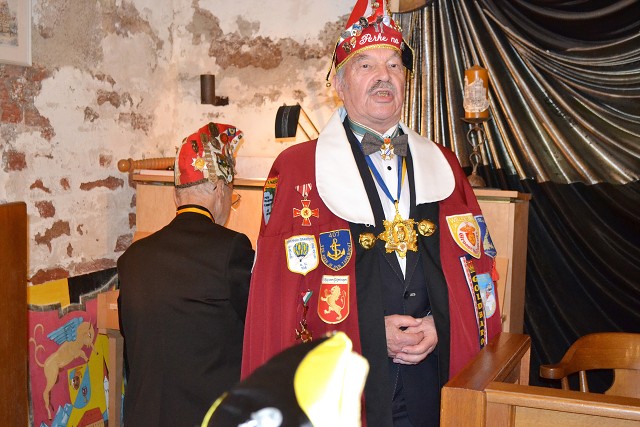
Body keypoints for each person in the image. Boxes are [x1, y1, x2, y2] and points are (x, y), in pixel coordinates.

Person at [242, 1, 502, 426]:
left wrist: (442, 323)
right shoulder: (297, 169)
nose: (384, 75)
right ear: (339, 85)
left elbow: (479, 270)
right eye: (366, 65)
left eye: (394, 65)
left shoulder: (444, 163)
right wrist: (364, 331)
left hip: (432, 380)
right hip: (344, 387)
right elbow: (280, 295)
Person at [118, 122, 254, 427]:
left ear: (175, 195)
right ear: (220, 190)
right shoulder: (232, 249)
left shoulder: (133, 257)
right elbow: (258, 328)